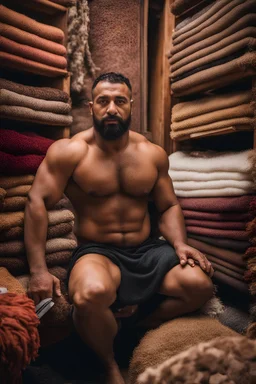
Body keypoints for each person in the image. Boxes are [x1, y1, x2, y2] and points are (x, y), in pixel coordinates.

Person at [24, 72, 214, 384]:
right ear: (91, 107)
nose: (112, 108)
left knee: (199, 285)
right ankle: (110, 364)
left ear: (130, 106)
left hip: (149, 251)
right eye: (103, 101)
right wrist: (38, 270)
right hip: (98, 252)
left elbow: (167, 205)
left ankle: (133, 324)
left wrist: (179, 244)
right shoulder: (70, 152)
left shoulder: (152, 154)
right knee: (90, 295)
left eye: (120, 101)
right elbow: (37, 202)